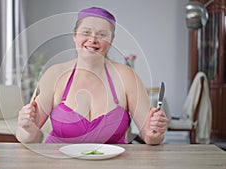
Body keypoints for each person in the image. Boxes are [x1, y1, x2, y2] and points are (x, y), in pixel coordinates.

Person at [16, 7, 168, 145]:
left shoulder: (127, 77)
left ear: (111, 41)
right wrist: (27, 128)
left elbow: (150, 137)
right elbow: (27, 137)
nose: (92, 39)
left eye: (102, 35)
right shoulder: (54, 75)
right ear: (75, 36)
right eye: (86, 32)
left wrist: (156, 130)